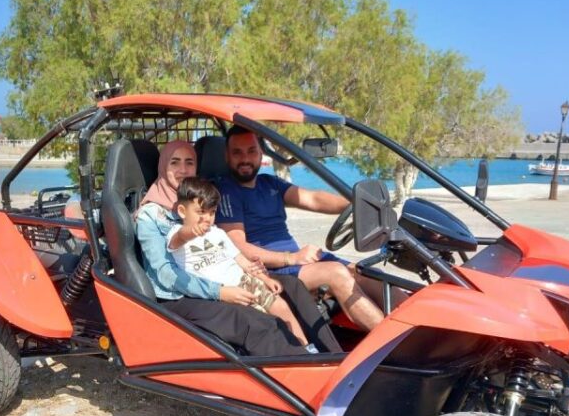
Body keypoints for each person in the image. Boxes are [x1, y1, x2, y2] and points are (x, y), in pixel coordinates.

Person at [134, 140, 340, 356]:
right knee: (254, 320)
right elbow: (166, 274)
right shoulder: (153, 214)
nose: (183, 170)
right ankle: (299, 370)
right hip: (178, 294)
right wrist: (219, 292)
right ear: (163, 166)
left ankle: (330, 355)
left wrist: (256, 272)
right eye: (175, 163)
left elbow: (227, 248)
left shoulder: (201, 200)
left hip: (221, 277)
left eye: (189, 163)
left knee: (290, 286)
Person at [215, 125, 387, 331]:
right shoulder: (225, 191)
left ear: (261, 153)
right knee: (336, 273)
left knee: (367, 274)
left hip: (297, 264)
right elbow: (238, 246)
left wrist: (357, 204)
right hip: (270, 272)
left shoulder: (269, 183)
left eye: (251, 151)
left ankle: (419, 331)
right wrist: (291, 258)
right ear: (226, 156)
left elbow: (313, 198)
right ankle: (393, 344)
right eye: (237, 153)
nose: (245, 159)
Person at [168, 177, 315, 350]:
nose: (207, 218)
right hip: (222, 291)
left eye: (212, 212)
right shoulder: (176, 234)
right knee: (266, 320)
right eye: (201, 212)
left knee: (281, 306)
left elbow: (242, 261)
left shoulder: (218, 234)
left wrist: (265, 279)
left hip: (244, 280)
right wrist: (191, 233)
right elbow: (178, 240)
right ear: (182, 211)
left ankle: (307, 348)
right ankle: (289, 354)